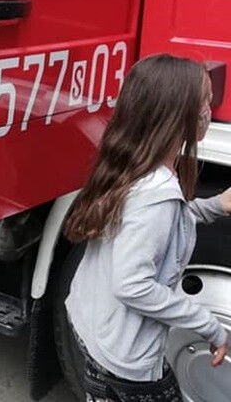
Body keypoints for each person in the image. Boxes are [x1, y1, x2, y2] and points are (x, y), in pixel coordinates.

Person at [64, 54, 231, 401]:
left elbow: (156, 223)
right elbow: (133, 285)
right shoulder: (158, 193)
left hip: (94, 335)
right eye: (205, 101)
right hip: (129, 365)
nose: (209, 110)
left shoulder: (132, 166)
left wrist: (216, 204)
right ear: (178, 115)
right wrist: (209, 326)